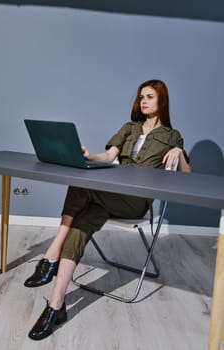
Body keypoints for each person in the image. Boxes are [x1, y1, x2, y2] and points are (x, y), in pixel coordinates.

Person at [24, 79, 191, 341]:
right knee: (80, 222)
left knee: (82, 186)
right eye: (140, 97)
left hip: (136, 201)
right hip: (110, 194)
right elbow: (110, 156)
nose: (143, 101)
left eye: (149, 96)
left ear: (162, 101)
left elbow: (187, 175)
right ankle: (56, 306)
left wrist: (179, 152)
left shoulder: (172, 136)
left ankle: (51, 254)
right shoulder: (130, 127)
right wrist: (88, 157)